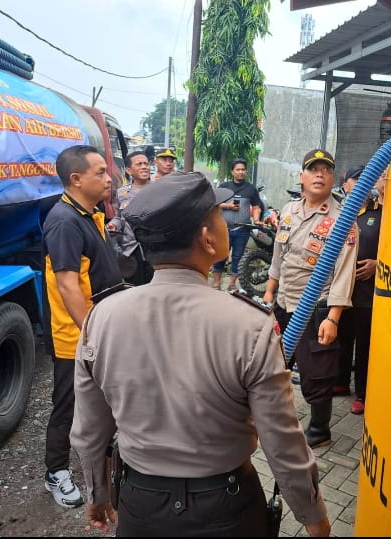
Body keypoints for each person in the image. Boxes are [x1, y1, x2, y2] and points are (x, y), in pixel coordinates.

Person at [70, 171, 330, 537]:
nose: (224, 223)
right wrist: (313, 516)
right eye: (220, 216)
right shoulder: (249, 324)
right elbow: (282, 442)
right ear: (207, 238)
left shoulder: (102, 317)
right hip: (227, 508)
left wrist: (98, 494)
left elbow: (89, 430)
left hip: (140, 505)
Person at [41, 144, 124, 508]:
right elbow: (67, 285)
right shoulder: (64, 221)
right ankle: (55, 472)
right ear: (76, 179)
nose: (109, 179)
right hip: (75, 336)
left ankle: (101, 459)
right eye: (100, 173)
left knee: (100, 401)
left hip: (97, 329)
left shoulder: (89, 214)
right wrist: (91, 335)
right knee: (67, 404)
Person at [262, 149, 358, 448]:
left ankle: (319, 429)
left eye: (326, 170)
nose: (319, 174)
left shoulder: (343, 220)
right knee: (274, 362)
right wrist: (269, 291)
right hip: (284, 304)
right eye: (312, 169)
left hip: (316, 308)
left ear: (333, 178)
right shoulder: (290, 210)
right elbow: (280, 254)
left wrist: (333, 317)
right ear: (301, 176)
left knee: (318, 372)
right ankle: (274, 416)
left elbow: (344, 273)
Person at [334, 169, 385, 415]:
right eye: (357, 178)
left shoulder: (381, 212)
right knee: (343, 338)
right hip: (343, 288)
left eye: (368, 177)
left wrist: (378, 263)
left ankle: (363, 393)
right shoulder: (339, 213)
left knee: (364, 344)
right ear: (345, 186)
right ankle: (341, 382)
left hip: (367, 290)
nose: (364, 181)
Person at [211, 158, 264, 290]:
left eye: (243, 169)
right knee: (220, 256)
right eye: (238, 169)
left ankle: (231, 284)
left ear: (245, 171)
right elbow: (215, 203)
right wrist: (228, 205)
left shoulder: (251, 189)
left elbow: (256, 206)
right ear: (232, 171)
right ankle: (217, 283)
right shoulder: (224, 187)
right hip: (224, 229)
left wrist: (256, 220)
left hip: (242, 229)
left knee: (237, 257)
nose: (240, 172)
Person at [106, 151, 154, 286]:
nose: (144, 167)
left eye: (146, 163)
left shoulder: (158, 189)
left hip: (154, 248)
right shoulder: (122, 193)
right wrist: (113, 225)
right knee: (134, 287)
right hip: (131, 249)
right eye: (139, 164)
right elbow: (119, 217)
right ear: (128, 170)